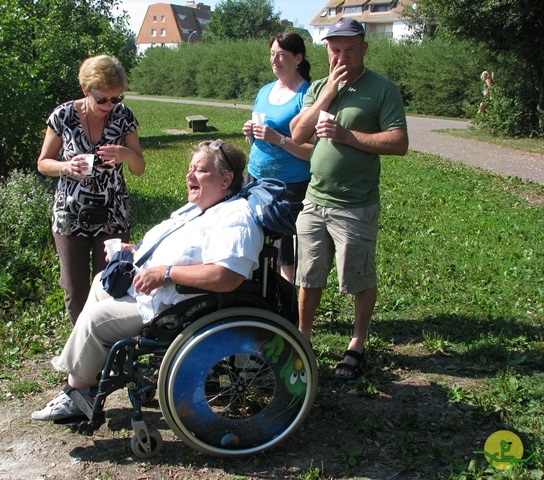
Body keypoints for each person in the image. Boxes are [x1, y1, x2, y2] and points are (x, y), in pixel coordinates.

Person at [32, 141, 264, 421]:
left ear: (226, 179)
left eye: (199, 171)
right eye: (190, 169)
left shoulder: (234, 218)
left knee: (97, 319)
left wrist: (165, 273)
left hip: (176, 305)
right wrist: (135, 252)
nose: (189, 176)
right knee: (100, 285)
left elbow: (226, 276)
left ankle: (76, 392)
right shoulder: (201, 208)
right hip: (154, 293)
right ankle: (92, 377)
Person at [289, 18, 408, 380]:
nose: (342, 56)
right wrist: (326, 96)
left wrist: (346, 135)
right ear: (327, 50)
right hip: (314, 200)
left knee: (357, 274)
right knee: (308, 274)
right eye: (335, 49)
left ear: (364, 49)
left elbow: (399, 143)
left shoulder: (382, 89)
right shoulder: (320, 87)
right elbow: (297, 133)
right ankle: (303, 337)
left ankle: (357, 344)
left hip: (355, 204)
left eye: (350, 49)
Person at [37, 55, 145, 325]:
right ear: (86, 90)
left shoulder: (124, 117)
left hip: (112, 214)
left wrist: (127, 155)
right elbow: (43, 163)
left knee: (111, 285)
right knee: (75, 290)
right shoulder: (63, 116)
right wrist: (65, 167)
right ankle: (82, 344)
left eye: (115, 99)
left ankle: (105, 348)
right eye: (102, 100)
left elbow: (139, 167)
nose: (109, 105)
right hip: (71, 213)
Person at [242, 32, 314, 283]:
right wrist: (250, 133)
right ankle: (260, 295)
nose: (275, 60)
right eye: (272, 54)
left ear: (298, 58)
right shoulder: (264, 91)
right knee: (254, 239)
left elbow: (313, 151)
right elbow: (258, 138)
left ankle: (284, 303)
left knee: (285, 250)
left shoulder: (307, 95)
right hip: (254, 178)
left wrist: (278, 139)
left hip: (289, 185)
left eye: (281, 55)